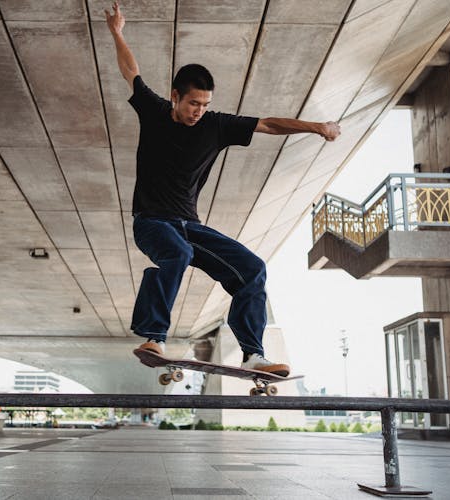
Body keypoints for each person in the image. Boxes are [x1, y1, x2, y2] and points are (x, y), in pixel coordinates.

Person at [105, 2, 340, 376]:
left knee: (251, 268)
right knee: (177, 254)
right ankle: (153, 336)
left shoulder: (216, 125)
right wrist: (117, 32)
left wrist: (316, 127)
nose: (198, 111)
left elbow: (269, 125)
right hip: (150, 222)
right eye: (193, 103)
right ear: (176, 96)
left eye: (205, 104)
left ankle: (253, 354)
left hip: (189, 224)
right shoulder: (152, 109)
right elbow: (130, 72)